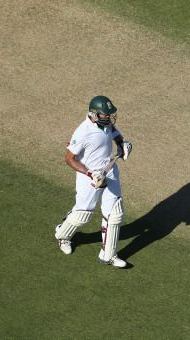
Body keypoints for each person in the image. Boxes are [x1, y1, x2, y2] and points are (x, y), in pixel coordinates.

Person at [54, 95, 132, 268]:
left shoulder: (106, 124)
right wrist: (90, 174)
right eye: (106, 115)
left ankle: (108, 255)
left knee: (115, 213)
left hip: (109, 172)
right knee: (83, 215)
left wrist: (121, 144)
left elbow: (114, 131)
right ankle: (62, 235)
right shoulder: (83, 132)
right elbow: (69, 159)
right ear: (95, 114)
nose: (110, 118)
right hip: (89, 177)